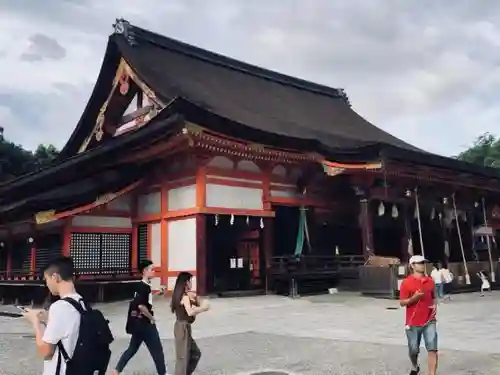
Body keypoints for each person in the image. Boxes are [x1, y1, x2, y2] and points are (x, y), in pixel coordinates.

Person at [22, 256, 103, 375]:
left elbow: (45, 351)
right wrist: (47, 317)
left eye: (47, 279)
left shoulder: (59, 307)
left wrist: (36, 323)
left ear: (55, 277)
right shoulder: (82, 302)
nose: (47, 284)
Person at [112, 260, 169, 375]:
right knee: (157, 350)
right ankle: (163, 373)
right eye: (151, 269)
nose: (153, 271)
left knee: (132, 349)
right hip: (146, 324)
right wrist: (152, 318)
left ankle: (116, 370)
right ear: (145, 271)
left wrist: (158, 293)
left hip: (138, 324)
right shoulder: (145, 287)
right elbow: (141, 306)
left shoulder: (141, 285)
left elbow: (145, 300)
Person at [400, 255, 438, 375]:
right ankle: (415, 366)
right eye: (419, 263)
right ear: (412, 266)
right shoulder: (406, 282)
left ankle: (432, 373)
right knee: (413, 349)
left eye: (423, 262)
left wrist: (435, 305)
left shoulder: (430, 281)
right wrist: (414, 298)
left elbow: (434, 296)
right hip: (413, 322)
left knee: (432, 347)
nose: (422, 265)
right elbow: (402, 302)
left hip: (429, 320)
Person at [171, 272, 210, 375]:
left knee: (195, 353)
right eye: (190, 281)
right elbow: (190, 312)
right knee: (183, 358)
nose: (191, 283)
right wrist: (202, 309)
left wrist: (197, 303)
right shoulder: (184, 297)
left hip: (183, 326)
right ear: (186, 282)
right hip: (182, 327)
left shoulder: (181, 295)